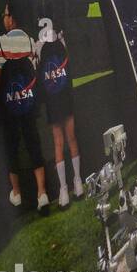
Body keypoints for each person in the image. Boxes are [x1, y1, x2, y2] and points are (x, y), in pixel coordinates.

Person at [0, 1, 51, 215]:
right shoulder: (30, 42)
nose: (4, 18)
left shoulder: (0, 44)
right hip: (29, 103)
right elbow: (35, 71)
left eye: (5, 15)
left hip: (8, 105)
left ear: (12, 18)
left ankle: (17, 193)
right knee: (33, 144)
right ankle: (42, 194)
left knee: (11, 147)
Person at [38, 14, 85, 206]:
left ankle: (78, 181)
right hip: (52, 99)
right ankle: (63, 188)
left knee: (71, 137)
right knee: (58, 142)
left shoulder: (62, 42)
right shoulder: (40, 47)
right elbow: (40, 75)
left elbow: (69, 68)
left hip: (64, 96)